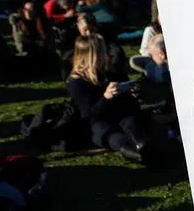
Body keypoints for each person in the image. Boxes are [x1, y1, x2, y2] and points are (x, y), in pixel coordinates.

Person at [66, 35, 160, 165]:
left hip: (120, 115)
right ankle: (138, 156)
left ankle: (144, 148)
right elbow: (88, 117)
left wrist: (130, 92)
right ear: (92, 56)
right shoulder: (77, 82)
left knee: (132, 125)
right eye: (102, 52)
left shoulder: (109, 71)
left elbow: (127, 104)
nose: (107, 55)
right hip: (98, 123)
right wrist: (106, 97)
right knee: (107, 133)